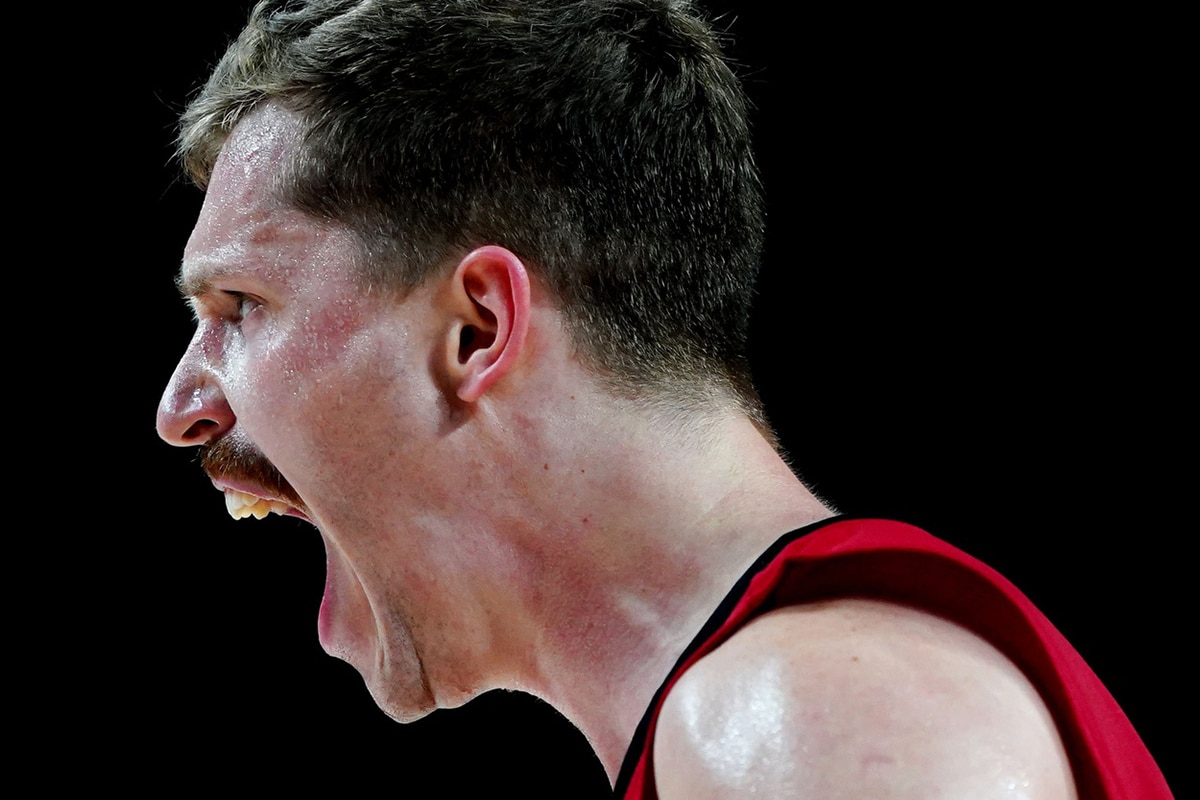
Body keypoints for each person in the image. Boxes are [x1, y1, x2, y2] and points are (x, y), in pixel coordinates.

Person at [155, 1, 1169, 796]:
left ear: (477, 328)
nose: (181, 407)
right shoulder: (781, 703)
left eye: (240, 305)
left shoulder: (798, 715)